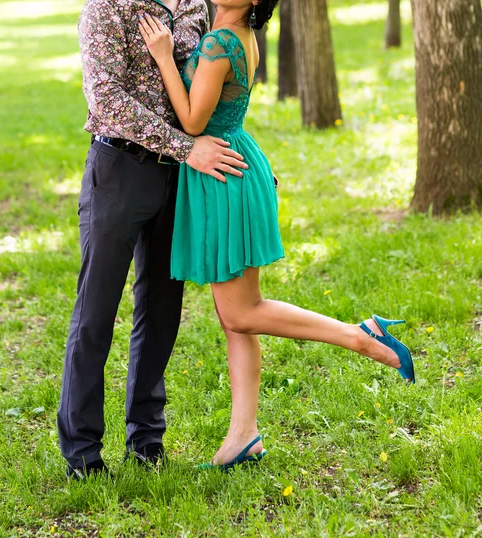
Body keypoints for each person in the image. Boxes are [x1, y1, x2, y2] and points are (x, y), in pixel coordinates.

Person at [139, 0, 415, 468]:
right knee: (235, 319)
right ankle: (243, 435)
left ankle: (359, 335)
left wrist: (165, 57)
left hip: (221, 176)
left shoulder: (218, 43)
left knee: (242, 313)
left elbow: (191, 123)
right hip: (234, 165)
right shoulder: (239, 35)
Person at [57, 0, 250, 480]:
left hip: (178, 181)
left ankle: (146, 440)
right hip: (119, 171)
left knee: (161, 312)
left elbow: (207, 93)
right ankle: (82, 452)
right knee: (96, 312)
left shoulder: (193, 6)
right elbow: (106, 98)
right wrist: (187, 147)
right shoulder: (106, 7)